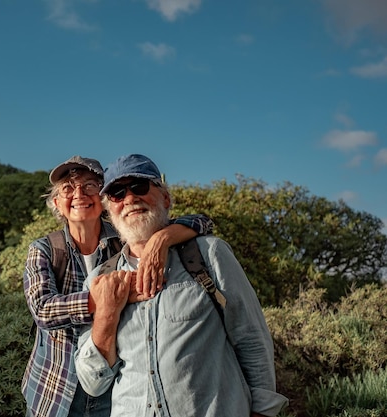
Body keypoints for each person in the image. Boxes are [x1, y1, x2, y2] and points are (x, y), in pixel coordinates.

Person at [74, 154, 289, 417]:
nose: (130, 198)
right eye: (117, 193)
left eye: (140, 186)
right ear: (109, 211)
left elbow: (251, 338)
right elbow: (93, 384)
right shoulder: (99, 279)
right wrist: (107, 314)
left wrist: (263, 412)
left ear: (165, 197)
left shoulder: (209, 254)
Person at [22, 155, 214, 417]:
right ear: (56, 203)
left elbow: (204, 222)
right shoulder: (44, 250)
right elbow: (43, 310)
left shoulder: (125, 237)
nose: (79, 194)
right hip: (57, 388)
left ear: (104, 198)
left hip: (114, 386)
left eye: (90, 186)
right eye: (67, 188)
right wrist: (105, 299)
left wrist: (162, 239)